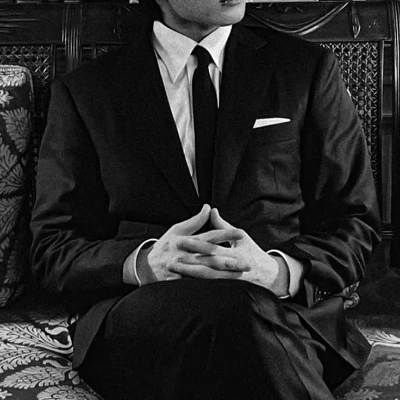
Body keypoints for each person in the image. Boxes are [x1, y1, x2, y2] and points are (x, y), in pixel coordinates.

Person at [30, 0, 381, 398]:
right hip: (144, 322)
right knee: (238, 314)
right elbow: (51, 249)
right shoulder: (87, 91)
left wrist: (277, 272)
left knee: (244, 316)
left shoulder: (306, 69)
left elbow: (356, 221)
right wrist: (143, 263)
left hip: (287, 318)